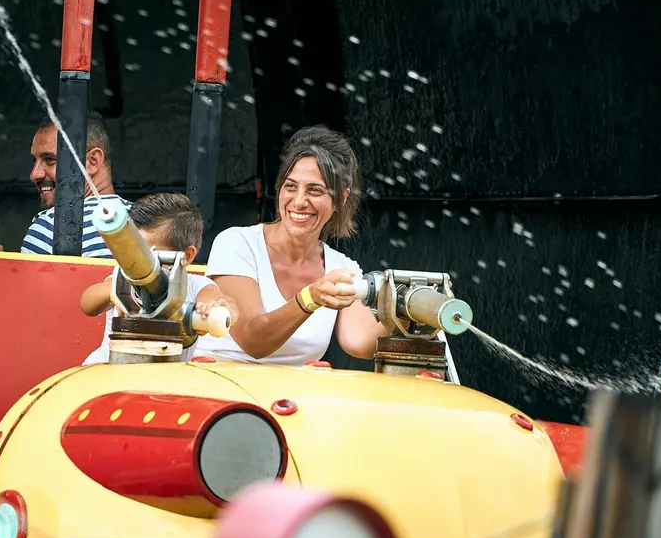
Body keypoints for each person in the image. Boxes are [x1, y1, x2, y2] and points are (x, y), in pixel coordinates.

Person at [194, 125, 388, 365]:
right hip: (221, 390)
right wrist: (309, 298)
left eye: (314, 190)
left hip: (291, 399)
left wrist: (409, 314)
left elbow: (361, 343)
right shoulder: (236, 243)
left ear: (341, 198)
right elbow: (253, 340)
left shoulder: (341, 266)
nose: (298, 201)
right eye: (291, 186)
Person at [80, 193, 238, 364]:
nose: (137, 260)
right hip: (110, 370)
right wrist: (119, 290)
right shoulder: (125, 275)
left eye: (147, 254)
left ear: (187, 255)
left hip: (164, 379)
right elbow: (88, 304)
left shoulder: (195, 285)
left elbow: (223, 303)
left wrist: (216, 307)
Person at [20, 111, 131, 258]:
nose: (34, 174)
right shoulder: (148, 222)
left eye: (50, 160)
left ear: (92, 162)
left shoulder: (49, 226)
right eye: (35, 161)